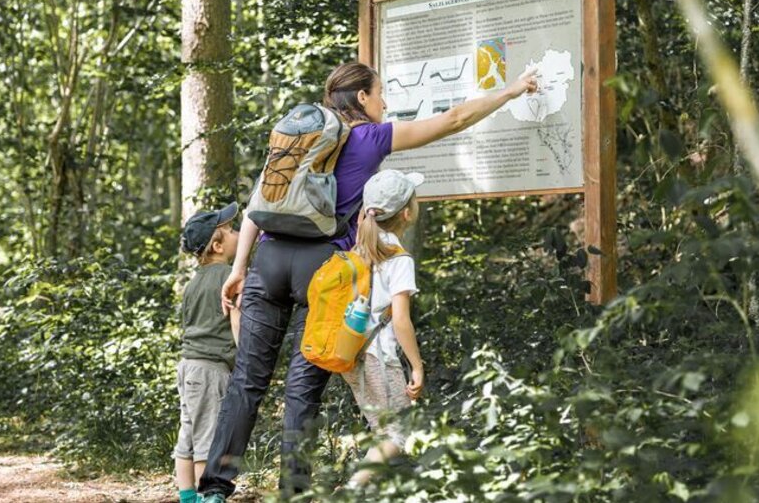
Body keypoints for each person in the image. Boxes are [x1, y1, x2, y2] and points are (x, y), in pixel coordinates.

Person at [198, 62, 538, 502]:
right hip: (324, 268)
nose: (385, 103)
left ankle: (213, 490)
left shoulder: (299, 138)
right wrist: (510, 91)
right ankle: (294, 493)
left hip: (269, 257)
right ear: (362, 98)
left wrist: (239, 267)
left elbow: (257, 202)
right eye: (380, 94)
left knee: (247, 378)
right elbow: (453, 120)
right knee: (304, 387)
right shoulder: (370, 137)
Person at [341, 169, 424, 487]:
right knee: (397, 434)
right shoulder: (398, 258)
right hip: (380, 355)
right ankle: (350, 490)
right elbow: (401, 320)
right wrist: (417, 366)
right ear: (406, 212)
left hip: (351, 351)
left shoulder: (358, 250)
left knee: (382, 431)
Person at [175, 203, 242, 503]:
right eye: (230, 231)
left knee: (188, 435)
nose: (237, 234)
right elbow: (236, 321)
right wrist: (246, 360)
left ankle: (188, 496)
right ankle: (208, 497)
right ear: (217, 246)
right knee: (208, 439)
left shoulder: (192, 284)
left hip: (188, 366)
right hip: (211, 369)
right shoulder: (229, 277)